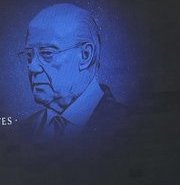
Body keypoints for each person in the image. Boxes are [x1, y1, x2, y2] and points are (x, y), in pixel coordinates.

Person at [17, 2, 128, 142]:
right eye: (29, 56)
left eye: (47, 53)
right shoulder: (23, 131)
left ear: (85, 55)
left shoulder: (130, 125)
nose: (32, 67)